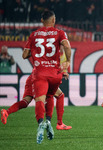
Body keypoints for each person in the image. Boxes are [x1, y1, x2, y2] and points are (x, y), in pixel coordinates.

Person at [22, 10, 71, 144]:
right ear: (54, 20)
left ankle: (40, 124)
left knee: (40, 99)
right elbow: (67, 46)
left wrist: (35, 52)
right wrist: (68, 63)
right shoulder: (60, 33)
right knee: (54, 96)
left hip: (40, 73)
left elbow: (24, 55)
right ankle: (53, 122)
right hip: (54, 74)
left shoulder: (33, 35)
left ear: (41, 21)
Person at [0, 74, 72, 130]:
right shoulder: (53, 57)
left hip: (32, 77)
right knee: (59, 95)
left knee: (25, 102)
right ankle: (59, 123)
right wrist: (61, 73)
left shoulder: (42, 57)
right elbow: (52, 67)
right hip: (42, 79)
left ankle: (6, 112)